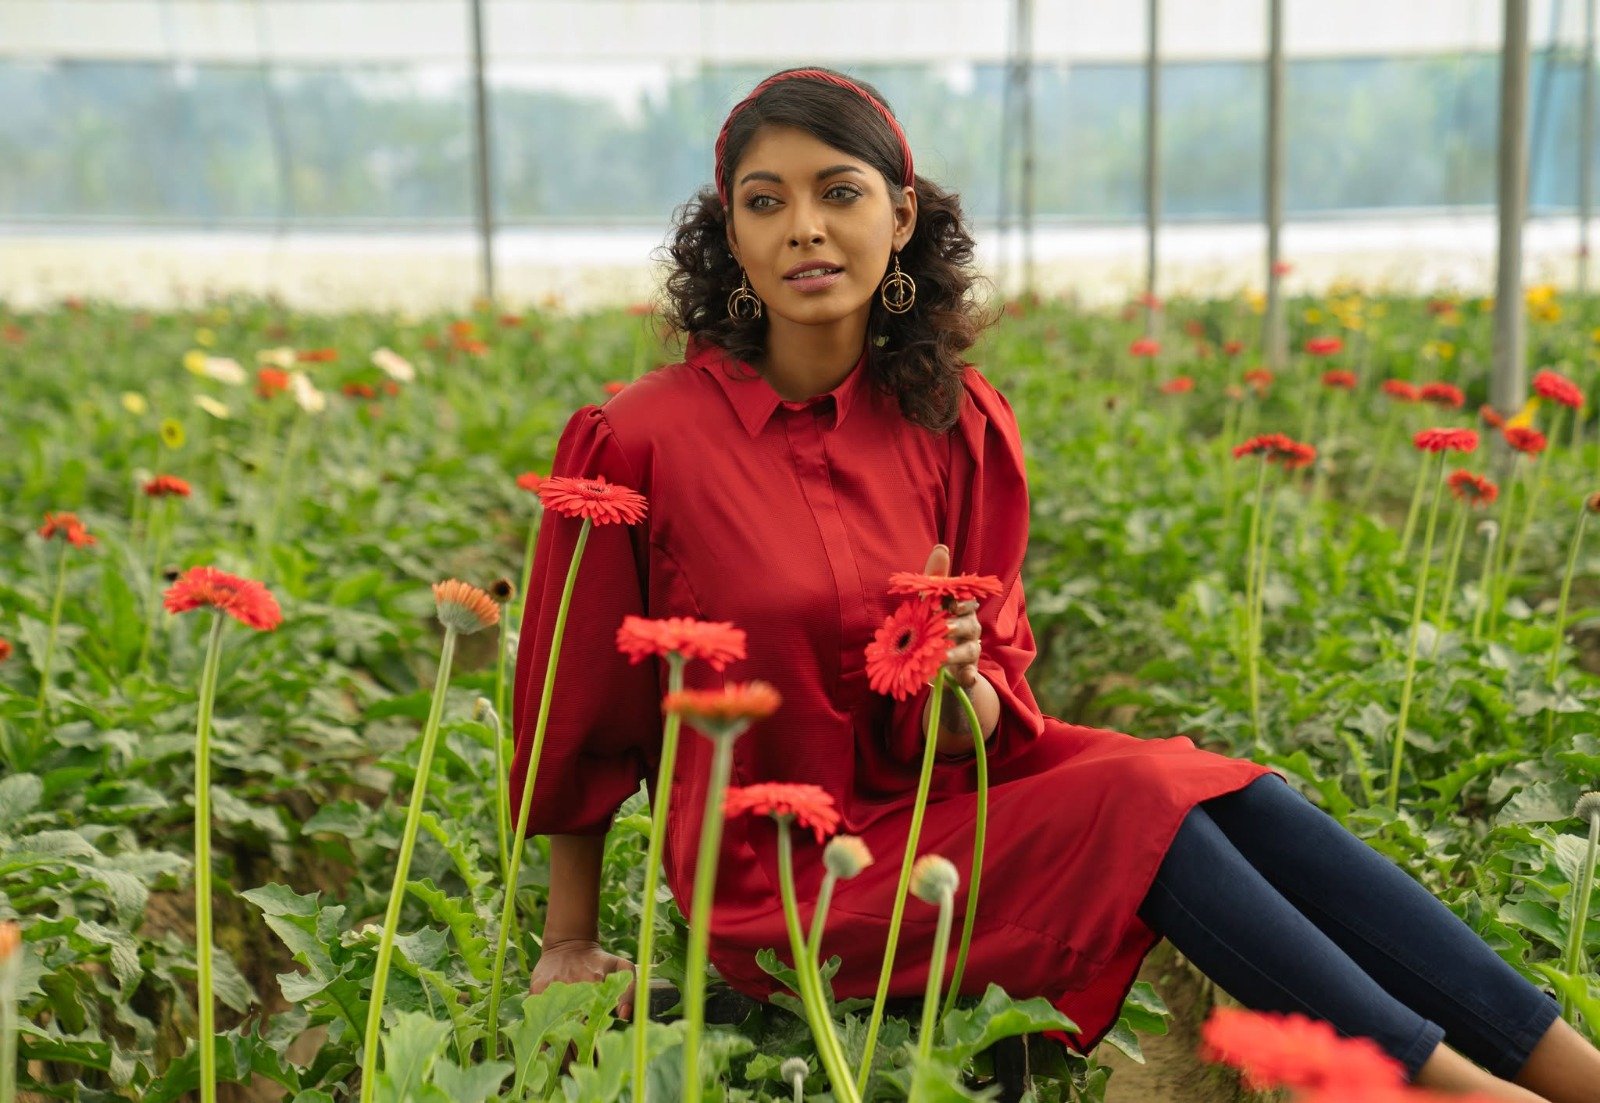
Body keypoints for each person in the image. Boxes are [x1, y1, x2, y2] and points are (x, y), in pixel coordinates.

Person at [509, 67, 1600, 1101]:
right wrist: (568, 938)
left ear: (898, 219)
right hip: (786, 874)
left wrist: (952, 675)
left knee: (1228, 788)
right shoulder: (642, 438)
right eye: (765, 201)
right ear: (730, 237)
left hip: (937, 802)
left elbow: (988, 729)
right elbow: (580, 704)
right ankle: (1451, 1088)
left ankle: (1571, 1066)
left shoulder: (953, 423)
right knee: (1133, 801)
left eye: (838, 192)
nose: (803, 225)